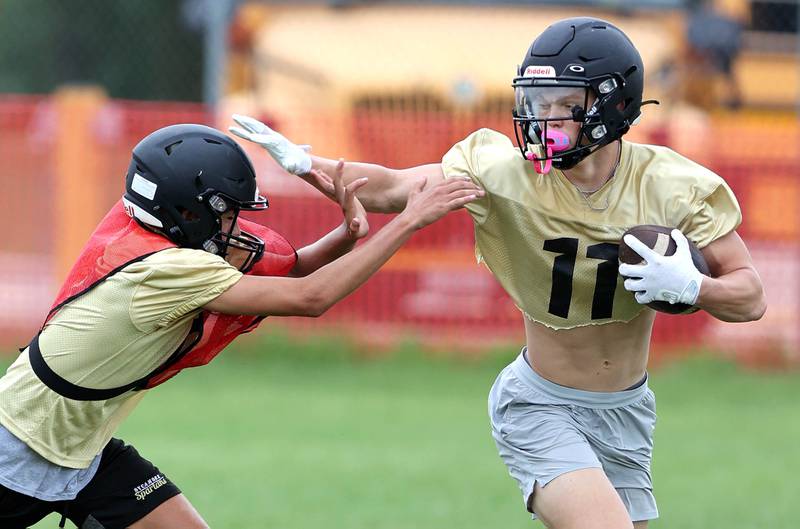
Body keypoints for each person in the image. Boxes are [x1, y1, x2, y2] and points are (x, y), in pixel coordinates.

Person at [230, 16, 767, 529]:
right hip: (541, 403)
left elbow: (750, 297)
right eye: (537, 103)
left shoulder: (671, 183)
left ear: (613, 105)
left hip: (627, 409)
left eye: (564, 105)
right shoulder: (502, 171)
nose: (543, 120)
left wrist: (696, 287)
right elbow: (395, 187)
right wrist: (307, 165)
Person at [0, 123, 482, 528]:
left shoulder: (150, 234)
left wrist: (348, 235)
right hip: (17, 445)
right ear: (186, 211)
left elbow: (291, 272)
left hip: (82, 446)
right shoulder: (167, 271)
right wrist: (409, 221)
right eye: (225, 212)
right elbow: (311, 298)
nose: (232, 225)